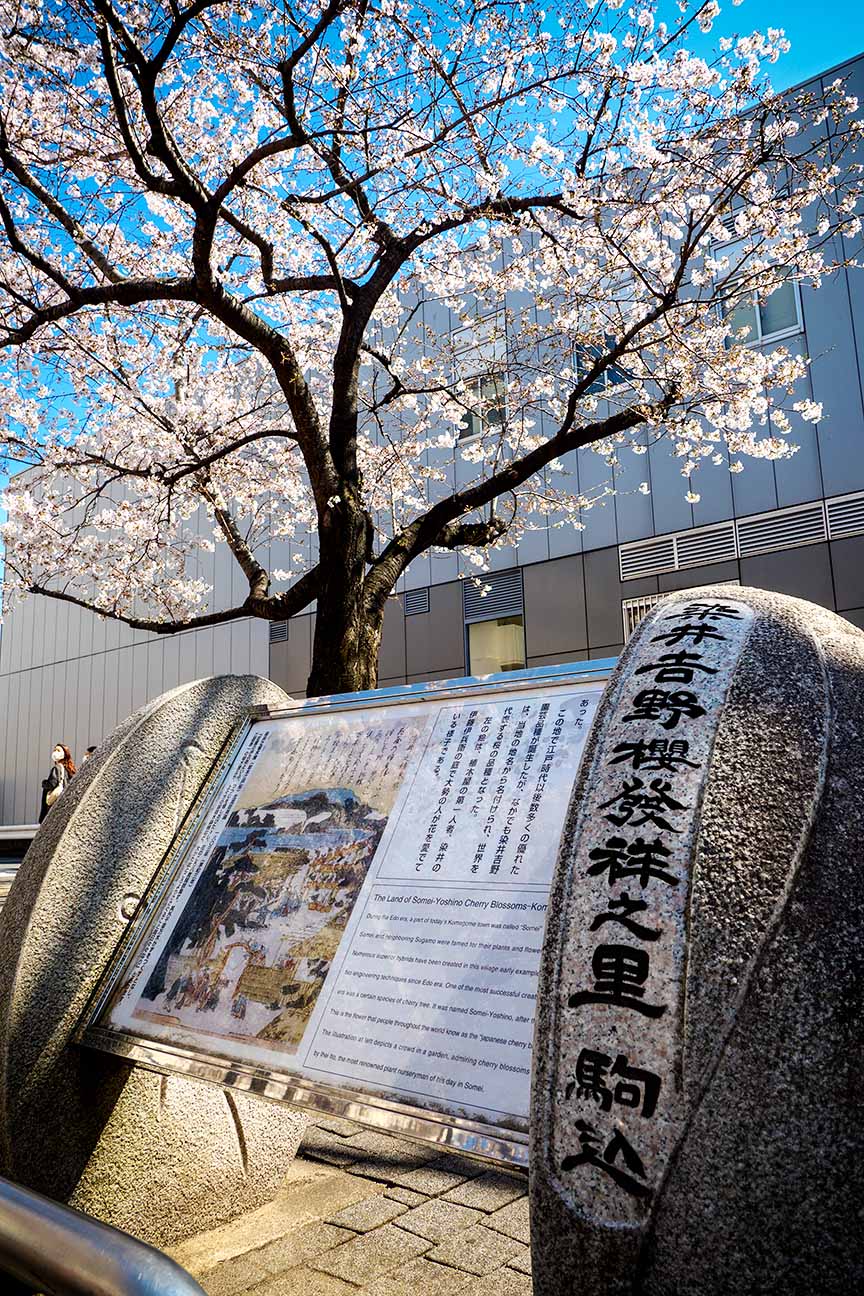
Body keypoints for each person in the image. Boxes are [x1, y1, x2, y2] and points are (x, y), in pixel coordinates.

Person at [38, 743, 76, 823]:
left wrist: (44, 783)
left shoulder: (57, 768)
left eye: (58, 750)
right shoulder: (69, 770)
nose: (55, 752)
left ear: (64, 754)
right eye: (54, 750)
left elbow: (52, 784)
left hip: (54, 803)